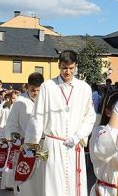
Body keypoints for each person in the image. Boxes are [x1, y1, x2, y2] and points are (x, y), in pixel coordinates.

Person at [24, 50, 97, 196]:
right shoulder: (47, 87)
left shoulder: (84, 88)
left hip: (74, 144)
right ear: (59, 65)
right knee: (53, 186)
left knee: (74, 186)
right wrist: (31, 145)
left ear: (76, 66)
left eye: (71, 68)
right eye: (64, 67)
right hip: (53, 145)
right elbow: (38, 116)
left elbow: (90, 117)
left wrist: (78, 136)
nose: (67, 72)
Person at [4, 72, 44, 195]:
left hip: (44, 144)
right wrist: (15, 139)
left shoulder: (47, 101)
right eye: (33, 90)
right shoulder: (20, 102)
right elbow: (11, 124)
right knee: (26, 174)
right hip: (26, 145)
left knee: (42, 174)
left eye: (38, 90)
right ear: (27, 87)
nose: (36, 93)